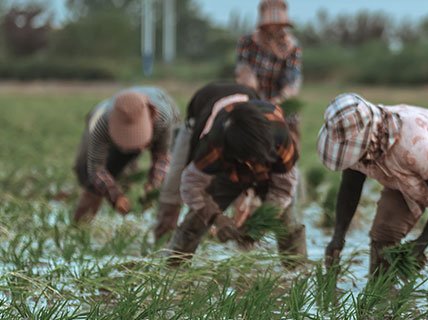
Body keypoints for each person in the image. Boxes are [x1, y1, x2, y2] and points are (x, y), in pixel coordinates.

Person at [318, 93, 428, 286]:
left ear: (368, 137)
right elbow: (350, 188)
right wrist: (338, 237)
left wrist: (421, 243)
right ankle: (380, 293)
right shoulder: (357, 144)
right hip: (400, 174)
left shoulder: (414, 143)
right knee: (384, 231)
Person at [165, 84, 306, 267]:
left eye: (254, 160)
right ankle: (173, 270)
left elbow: (284, 188)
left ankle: (298, 273)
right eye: (246, 160)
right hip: (229, 175)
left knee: (287, 224)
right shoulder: (215, 142)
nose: (250, 165)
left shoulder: (280, 135)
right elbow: (191, 186)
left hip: (271, 175)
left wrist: (261, 221)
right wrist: (216, 218)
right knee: (195, 222)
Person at [73, 87, 179, 223]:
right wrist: (115, 195)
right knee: (88, 179)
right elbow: (96, 168)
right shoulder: (102, 124)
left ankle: (167, 233)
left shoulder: (163, 118)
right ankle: (79, 227)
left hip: (163, 120)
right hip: (107, 126)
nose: (139, 148)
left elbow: (162, 157)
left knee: (172, 181)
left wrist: (154, 184)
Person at [235, 0, 301, 106]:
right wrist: (257, 98)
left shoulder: (292, 48)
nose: (276, 28)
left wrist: (276, 102)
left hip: (280, 103)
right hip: (252, 100)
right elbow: (244, 72)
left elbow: (292, 82)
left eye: (280, 24)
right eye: (272, 24)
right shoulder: (247, 42)